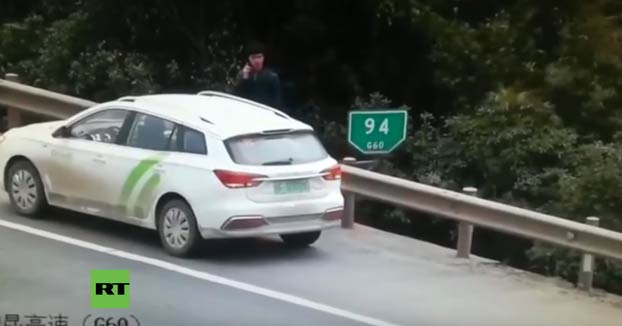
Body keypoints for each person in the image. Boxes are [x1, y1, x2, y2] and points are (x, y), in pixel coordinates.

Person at [233, 40, 282, 109]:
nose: (256, 60)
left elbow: (276, 103)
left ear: (263, 58)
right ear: (249, 58)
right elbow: (236, 97)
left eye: (259, 57)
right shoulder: (243, 74)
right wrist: (244, 78)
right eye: (253, 57)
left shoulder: (272, 77)